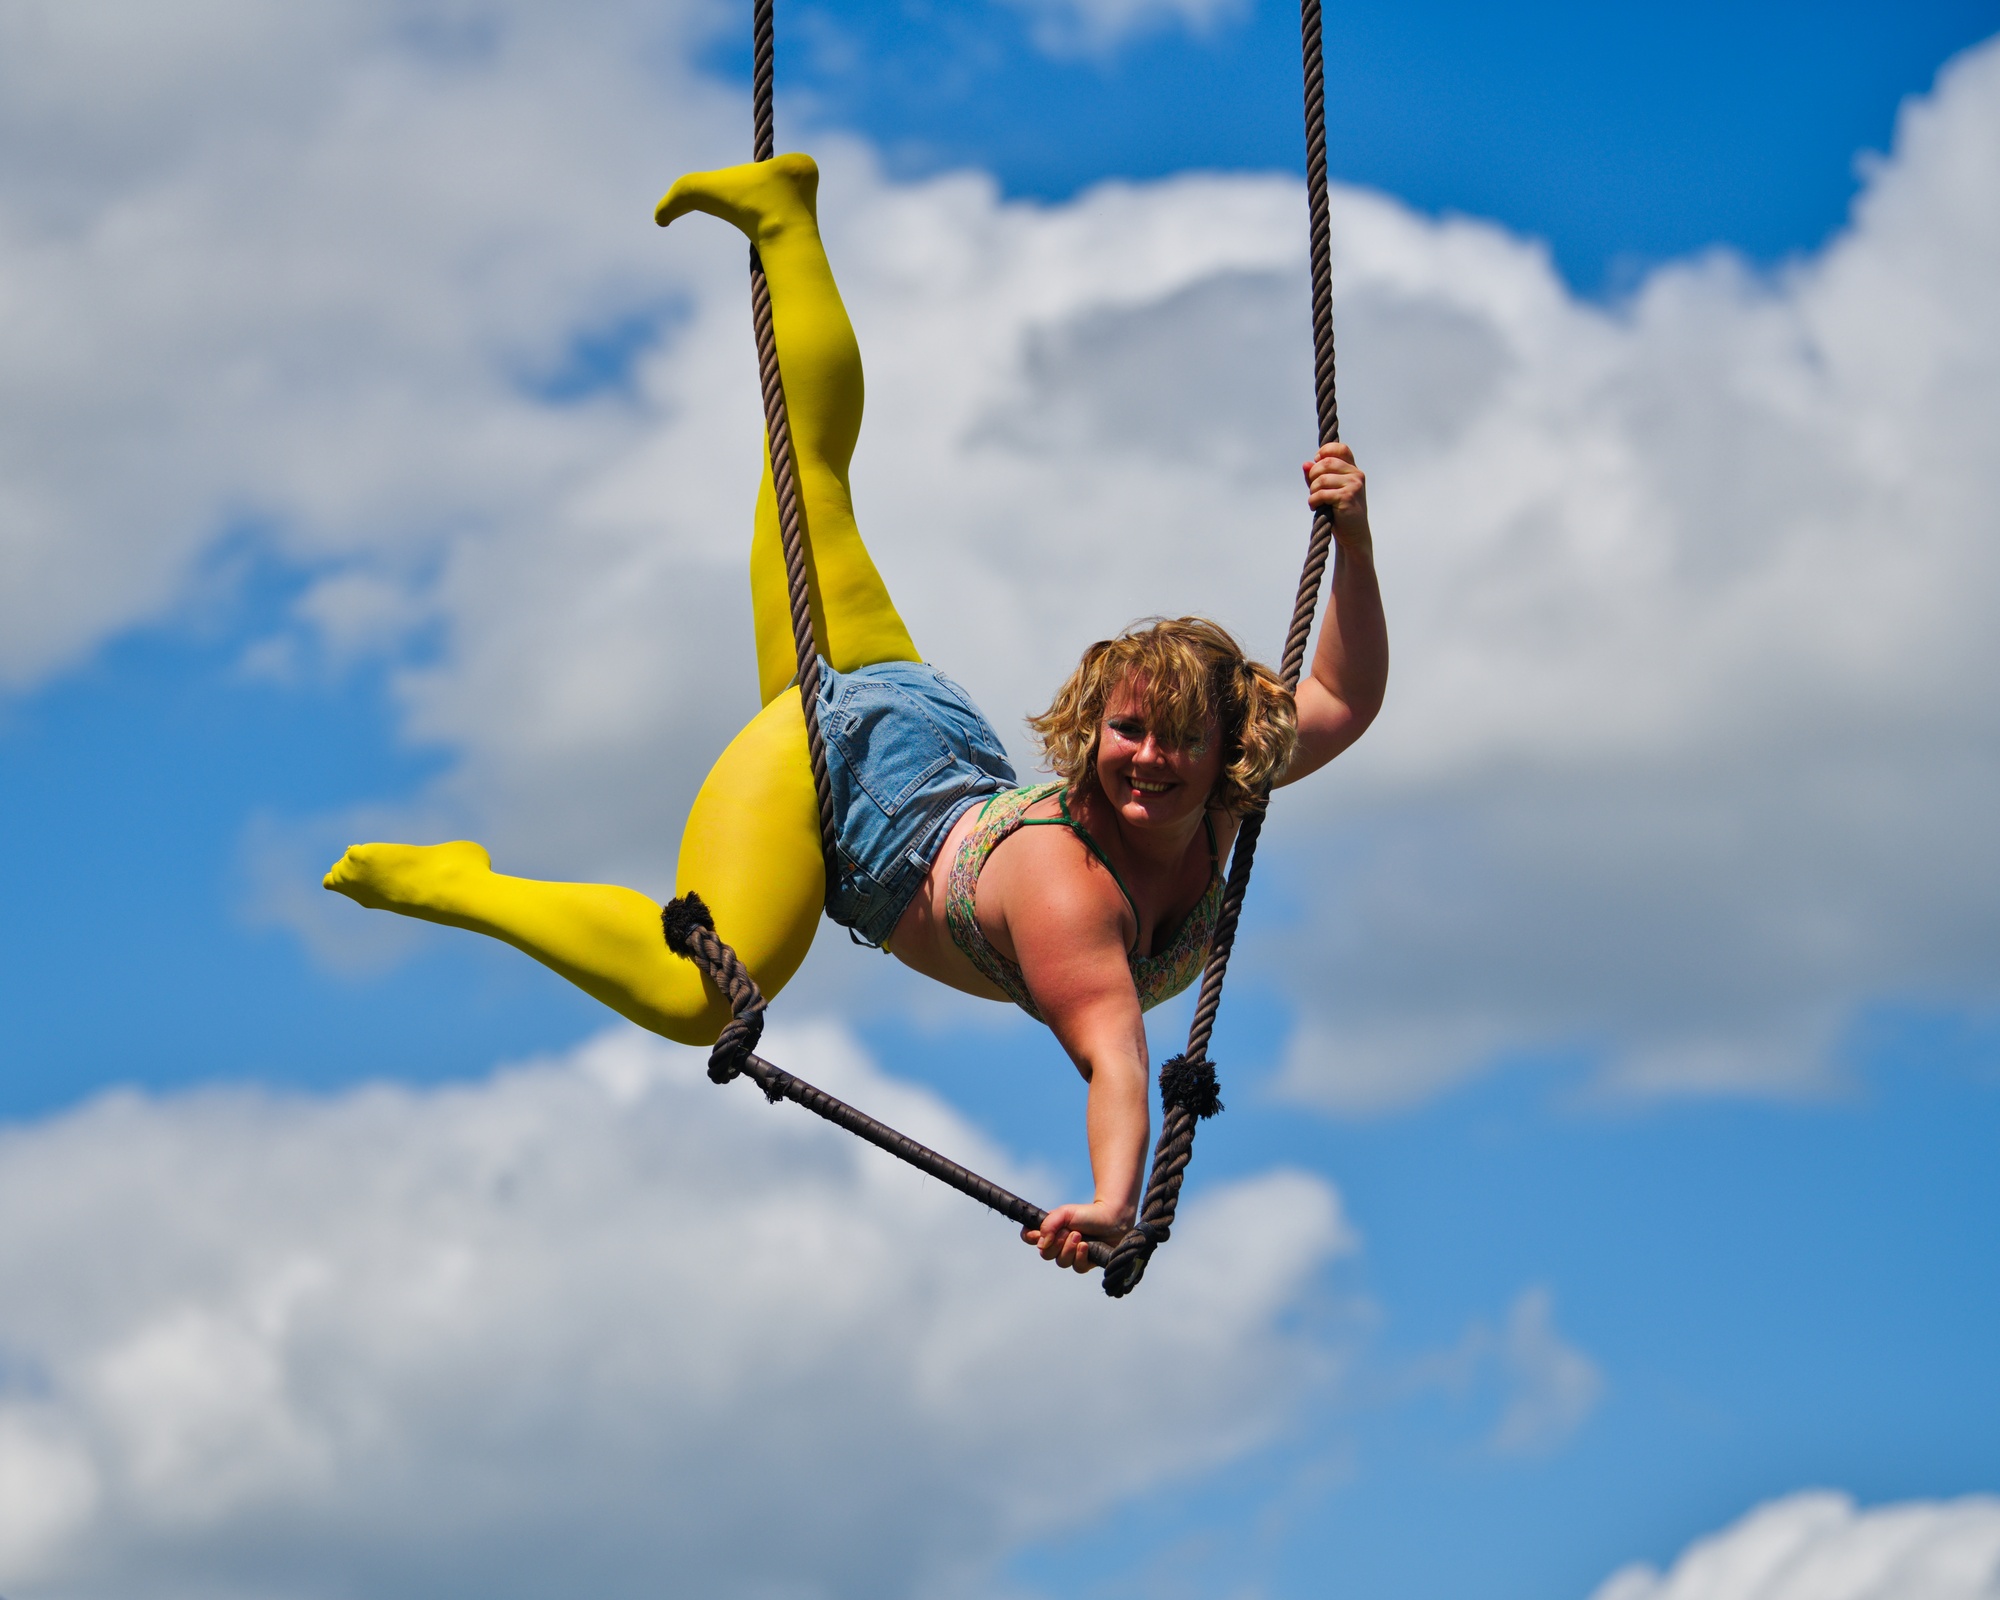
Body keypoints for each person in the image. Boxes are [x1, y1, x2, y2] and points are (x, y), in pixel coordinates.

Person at [324, 153, 1387, 1274]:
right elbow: (1114, 1056)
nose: (1150, 760)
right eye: (1128, 731)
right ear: (1093, 730)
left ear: (1228, 751)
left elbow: (1341, 696)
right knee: (694, 995)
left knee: (809, 471)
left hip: (921, 732)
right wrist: (1113, 1200)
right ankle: (461, 884)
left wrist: (1355, 540)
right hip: (829, 779)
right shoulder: (1070, 894)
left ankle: (785, 223)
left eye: (1180, 741)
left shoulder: (1226, 795)